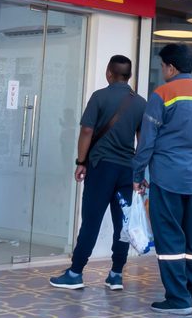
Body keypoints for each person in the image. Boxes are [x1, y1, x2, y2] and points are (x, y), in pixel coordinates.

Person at [133, 43, 192, 316]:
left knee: (169, 238)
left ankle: (178, 299)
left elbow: (147, 141)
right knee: (190, 235)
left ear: (171, 67)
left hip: (168, 178)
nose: (162, 71)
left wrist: (137, 174)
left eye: (162, 66)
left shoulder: (163, 94)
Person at [50, 55, 147, 290]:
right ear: (129, 76)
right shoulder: (141, 102)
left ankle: (75, 273)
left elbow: (86, 131)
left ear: (108, 73)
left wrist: (80, 161)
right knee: (122, 224)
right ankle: (116, 275)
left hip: (101, 167)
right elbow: (142, 140)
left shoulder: (99, 97)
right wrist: (139, 172)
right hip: (127, 170)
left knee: (91, 221)